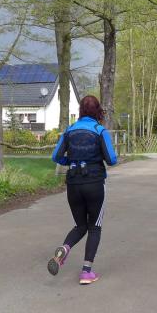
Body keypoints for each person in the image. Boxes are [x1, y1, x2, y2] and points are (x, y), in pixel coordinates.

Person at [48, 95, 118, 285]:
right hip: (95, 183)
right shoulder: (100, 130)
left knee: (80, 226)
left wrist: (70, 161)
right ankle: (86, 272)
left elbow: (55, 156)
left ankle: (64, 249)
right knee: (94, 227)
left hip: (73, 184)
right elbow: (112, 159)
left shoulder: (69, 130)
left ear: (80, 111)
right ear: (98, 111)